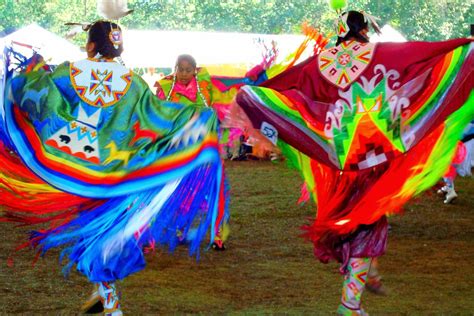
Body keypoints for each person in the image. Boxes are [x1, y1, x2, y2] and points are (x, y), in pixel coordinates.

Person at [233, 8, 473, 315]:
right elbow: (420, 55)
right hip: (374, 161)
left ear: (340, 30)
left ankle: (363, 281)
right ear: (365, 29)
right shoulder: (382, 54)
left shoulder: (319, 63)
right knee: (365, 226)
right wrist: (464, 45)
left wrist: (253, 95)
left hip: (339, 166)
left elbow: (286, 86)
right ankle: (350, 304)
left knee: (357, 224)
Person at [0, 21, 227, 315]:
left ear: (91, 45)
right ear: (118, 46)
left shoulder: (68, 73)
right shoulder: (133, 83)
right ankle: (103, 292)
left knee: (93, 229)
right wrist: (202, 117)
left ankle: (108, 297)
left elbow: (41, 97)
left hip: (74, 167)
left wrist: (30, 71)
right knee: (104, 229)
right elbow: (158, 116)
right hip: (116, 171)